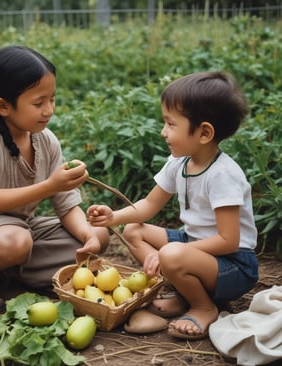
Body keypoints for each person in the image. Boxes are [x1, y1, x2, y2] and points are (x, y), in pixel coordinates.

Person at [0, 45, 109, 316]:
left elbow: (65, 205)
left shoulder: (45, 139)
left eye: (52, 99)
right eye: (38, 103)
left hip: (20, 229)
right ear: (3, 106)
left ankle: (10, 273)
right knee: (16, 242)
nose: (48, 110)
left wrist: (87, 235)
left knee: (99, 234)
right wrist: (49, 185)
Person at [87, 71, 259, 340]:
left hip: (234, 265)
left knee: (171, 254)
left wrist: (175, 251)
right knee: (134, 230)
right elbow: (148, 204)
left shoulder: (223, 175)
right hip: (196, 248)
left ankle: (203, 306)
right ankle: (181, 288)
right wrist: (112, 217)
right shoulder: (179, 162)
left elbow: (228, 240)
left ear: (204, 132)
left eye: (170, 124)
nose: (163, 132)